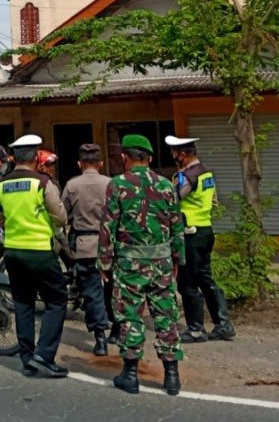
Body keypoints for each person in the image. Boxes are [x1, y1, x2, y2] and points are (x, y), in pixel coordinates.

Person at [98, 134, 184, 396]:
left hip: (129, 264)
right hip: (161, 262)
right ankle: (172, 376)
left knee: (130, 315)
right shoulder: (166, 185)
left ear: (125, 157)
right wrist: (177, 258)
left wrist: (104, 262)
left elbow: (108, 226)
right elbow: (176, 225)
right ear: (150, 158)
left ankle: (130, 375)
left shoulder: (117, 184)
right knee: (166, 315)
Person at [0, 134, 69, 378]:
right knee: (56, 300)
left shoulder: (2, 184)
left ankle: (27, 359)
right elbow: (60, 217)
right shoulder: (42, 182)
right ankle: (44, 355)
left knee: (23, 304)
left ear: (15, 157)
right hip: (39, 251)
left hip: (13, 252)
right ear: (36, 157)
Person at [165, 135, 236, 343]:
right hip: (206, 229)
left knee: (187, 282)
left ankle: (196, 329)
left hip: (190, 234)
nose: (172, 155)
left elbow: (173, 199)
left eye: (174, 152)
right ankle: (223, 324)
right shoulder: (207, 173)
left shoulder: (186, 176)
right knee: (205, 278)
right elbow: (214, 201)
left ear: (183, 154)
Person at [61, 143, 114, 356]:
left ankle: (100, 338)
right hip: (111, 245)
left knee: (92, 293)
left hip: (85, 245)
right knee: (115, 289)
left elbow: (62, 213)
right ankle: (118, 330)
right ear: (100, 163)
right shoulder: (111, 184)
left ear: (79, 163)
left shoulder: (72, 185)